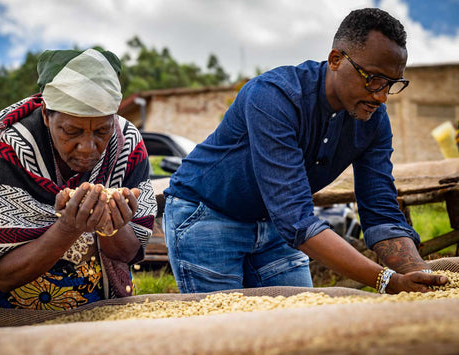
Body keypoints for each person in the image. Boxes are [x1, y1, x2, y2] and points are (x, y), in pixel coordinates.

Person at [163, 8, 448, 295]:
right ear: (336, 59)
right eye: (373, 78)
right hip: (207, 214)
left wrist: (417, 275)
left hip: (273, 224)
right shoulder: (274, 96)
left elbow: (381, 211)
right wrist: (387, 281)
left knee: (297, 323)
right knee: (223, 329)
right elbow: (295, 218)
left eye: (392, 83)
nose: (381, 95)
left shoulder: (374, 119)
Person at [0, 48, 157, 315]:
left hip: (101, 307)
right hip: (14, 315)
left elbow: (127, 253)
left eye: (102, 131)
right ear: (46, 114)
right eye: (71, 131)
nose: (88, 147)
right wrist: (68, 227)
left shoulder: (127, 143)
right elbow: (2, 276)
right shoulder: (9, 146)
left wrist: (112, 225)